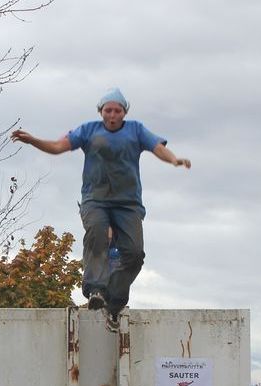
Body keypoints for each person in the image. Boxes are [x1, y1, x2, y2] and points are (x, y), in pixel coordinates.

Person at [11, 88, 190, 327]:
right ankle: (96, 289)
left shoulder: (136, 130)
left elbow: (157, 146)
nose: (112, 115)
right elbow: (57, 147)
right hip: (96, 199)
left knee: (134, 254)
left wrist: (174, 159)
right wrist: (33, 140)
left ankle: (114, 301)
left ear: (124, 112)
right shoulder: (88, 131)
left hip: (128, 204)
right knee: (96, 232)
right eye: (108, 110)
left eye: (117, 111)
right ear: (101, 111)